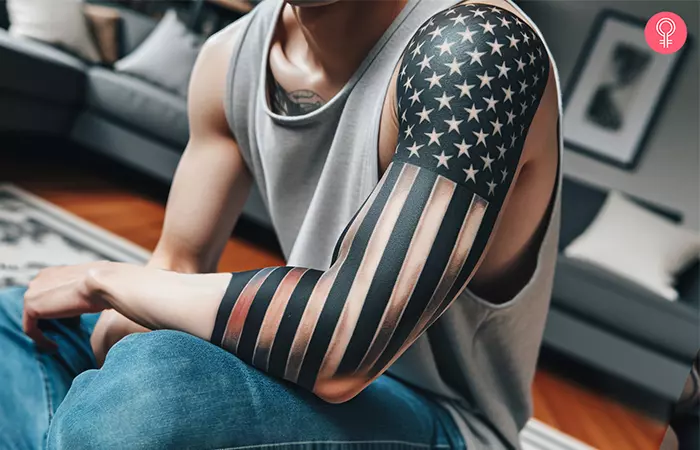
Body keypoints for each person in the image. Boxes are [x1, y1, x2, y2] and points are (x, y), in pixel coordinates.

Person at [1, 0, 562, 448]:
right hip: (291, 365)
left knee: (154, 386)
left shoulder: (481, 51)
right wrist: (106, 337)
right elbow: (176, 264)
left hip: (441, 420)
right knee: (23, 321)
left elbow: (343, 346)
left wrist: (105, 281)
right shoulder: (232, 54)